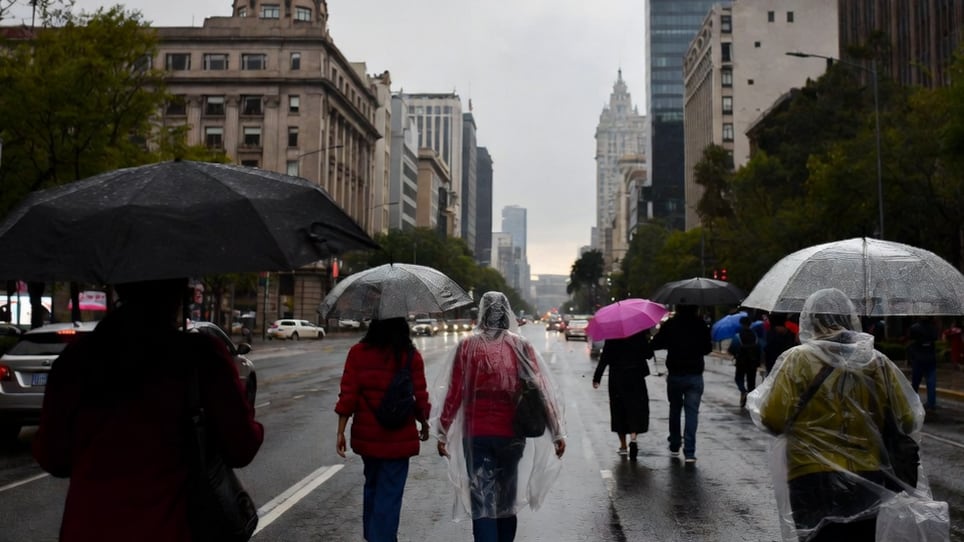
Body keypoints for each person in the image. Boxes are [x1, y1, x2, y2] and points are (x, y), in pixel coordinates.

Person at [32, 278, 264, 542]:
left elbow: (52, 457)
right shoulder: (200, 356)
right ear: (178, 290)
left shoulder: (75, 360)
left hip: (86, 528)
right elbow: (241, 446)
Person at [746, 288, 924, 542]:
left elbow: (772, 419)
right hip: (866, 474)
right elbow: (907, 419)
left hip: (810, 475)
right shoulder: (876, 362)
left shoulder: (797, 360)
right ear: (849, 317)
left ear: (810, 319)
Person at [433, 291, 566, 542]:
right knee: (506, 496)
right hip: (510, 435)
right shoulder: (520, 346)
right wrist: (556, 431)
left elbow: (454, 393)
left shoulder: (467, 347)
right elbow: (539, 391)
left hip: (476, 435)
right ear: (507, 314)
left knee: (481, 497)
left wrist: (442, 431)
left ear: (482, 314)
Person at [334, 317, 431, 542]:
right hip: (399, 437)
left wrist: (340, 431)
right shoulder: (410, 356)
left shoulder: (358, 353)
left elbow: (348, 395)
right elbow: (420, 397)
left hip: (368, 436)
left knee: (372, 487)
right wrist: (424, 422)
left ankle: (374, 536)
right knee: (390, 494)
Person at [650, 304, 712, 463]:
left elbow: (657, 343)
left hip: (675, 374)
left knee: (675, 409)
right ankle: (690, 452)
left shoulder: (671, 324)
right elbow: (707, 349)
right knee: (692, 413)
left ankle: (675, 444)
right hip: (694, 374)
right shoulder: (700, 324)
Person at [592, 329, 654, 460]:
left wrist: (597, 377)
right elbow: (648, 354)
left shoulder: (612, 335)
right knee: (635, 407)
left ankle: (623, 445)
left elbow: (605, 358)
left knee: (619, 409)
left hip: (617, 377)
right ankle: (633, 437)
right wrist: (646, 340)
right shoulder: (638, 333)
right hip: (636, 377)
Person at [728, 316, 762, 408]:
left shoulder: (738, 336)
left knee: (739, 378)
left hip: (741, 362)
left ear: (741, 324)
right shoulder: (755, 336)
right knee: (751, 382)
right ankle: (751, 401)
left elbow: (732, 349)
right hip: (753, 362)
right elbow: (759, 349)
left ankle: (743, 391)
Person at [907, 316, 939, 410]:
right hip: (930, 358)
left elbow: (911, 341)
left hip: (918, 358)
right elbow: (935, 338)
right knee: (931, 382)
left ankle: (913, 401)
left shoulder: (914, 328)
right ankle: (931, 403)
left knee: (915, 382)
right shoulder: (933, 328)